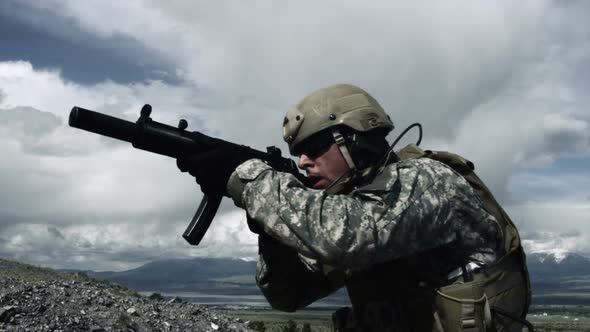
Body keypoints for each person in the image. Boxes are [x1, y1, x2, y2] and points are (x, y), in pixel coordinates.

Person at [177, 84, 530, 331]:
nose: (302, 162)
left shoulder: (428, 181)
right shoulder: (351, 208)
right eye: (297, 152)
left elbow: (348, 237)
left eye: (314, 147)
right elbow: (289, 295)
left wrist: (248, 177)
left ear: (356, 139)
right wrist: (272, 234)